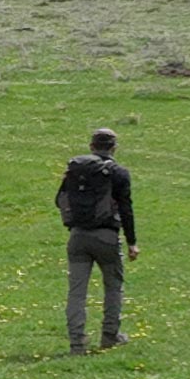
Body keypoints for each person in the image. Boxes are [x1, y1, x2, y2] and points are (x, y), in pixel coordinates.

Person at [58, 128, 139, 350]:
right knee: (113, 287)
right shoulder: (119, 173)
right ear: (114, 148)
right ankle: (110, 336)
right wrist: (132, 242)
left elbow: (59, 199)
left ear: (91, 146)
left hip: (77, 237)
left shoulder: (75, 170)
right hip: (107, 237)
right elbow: (126, 209)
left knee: (76, 292)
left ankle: (77, 342)